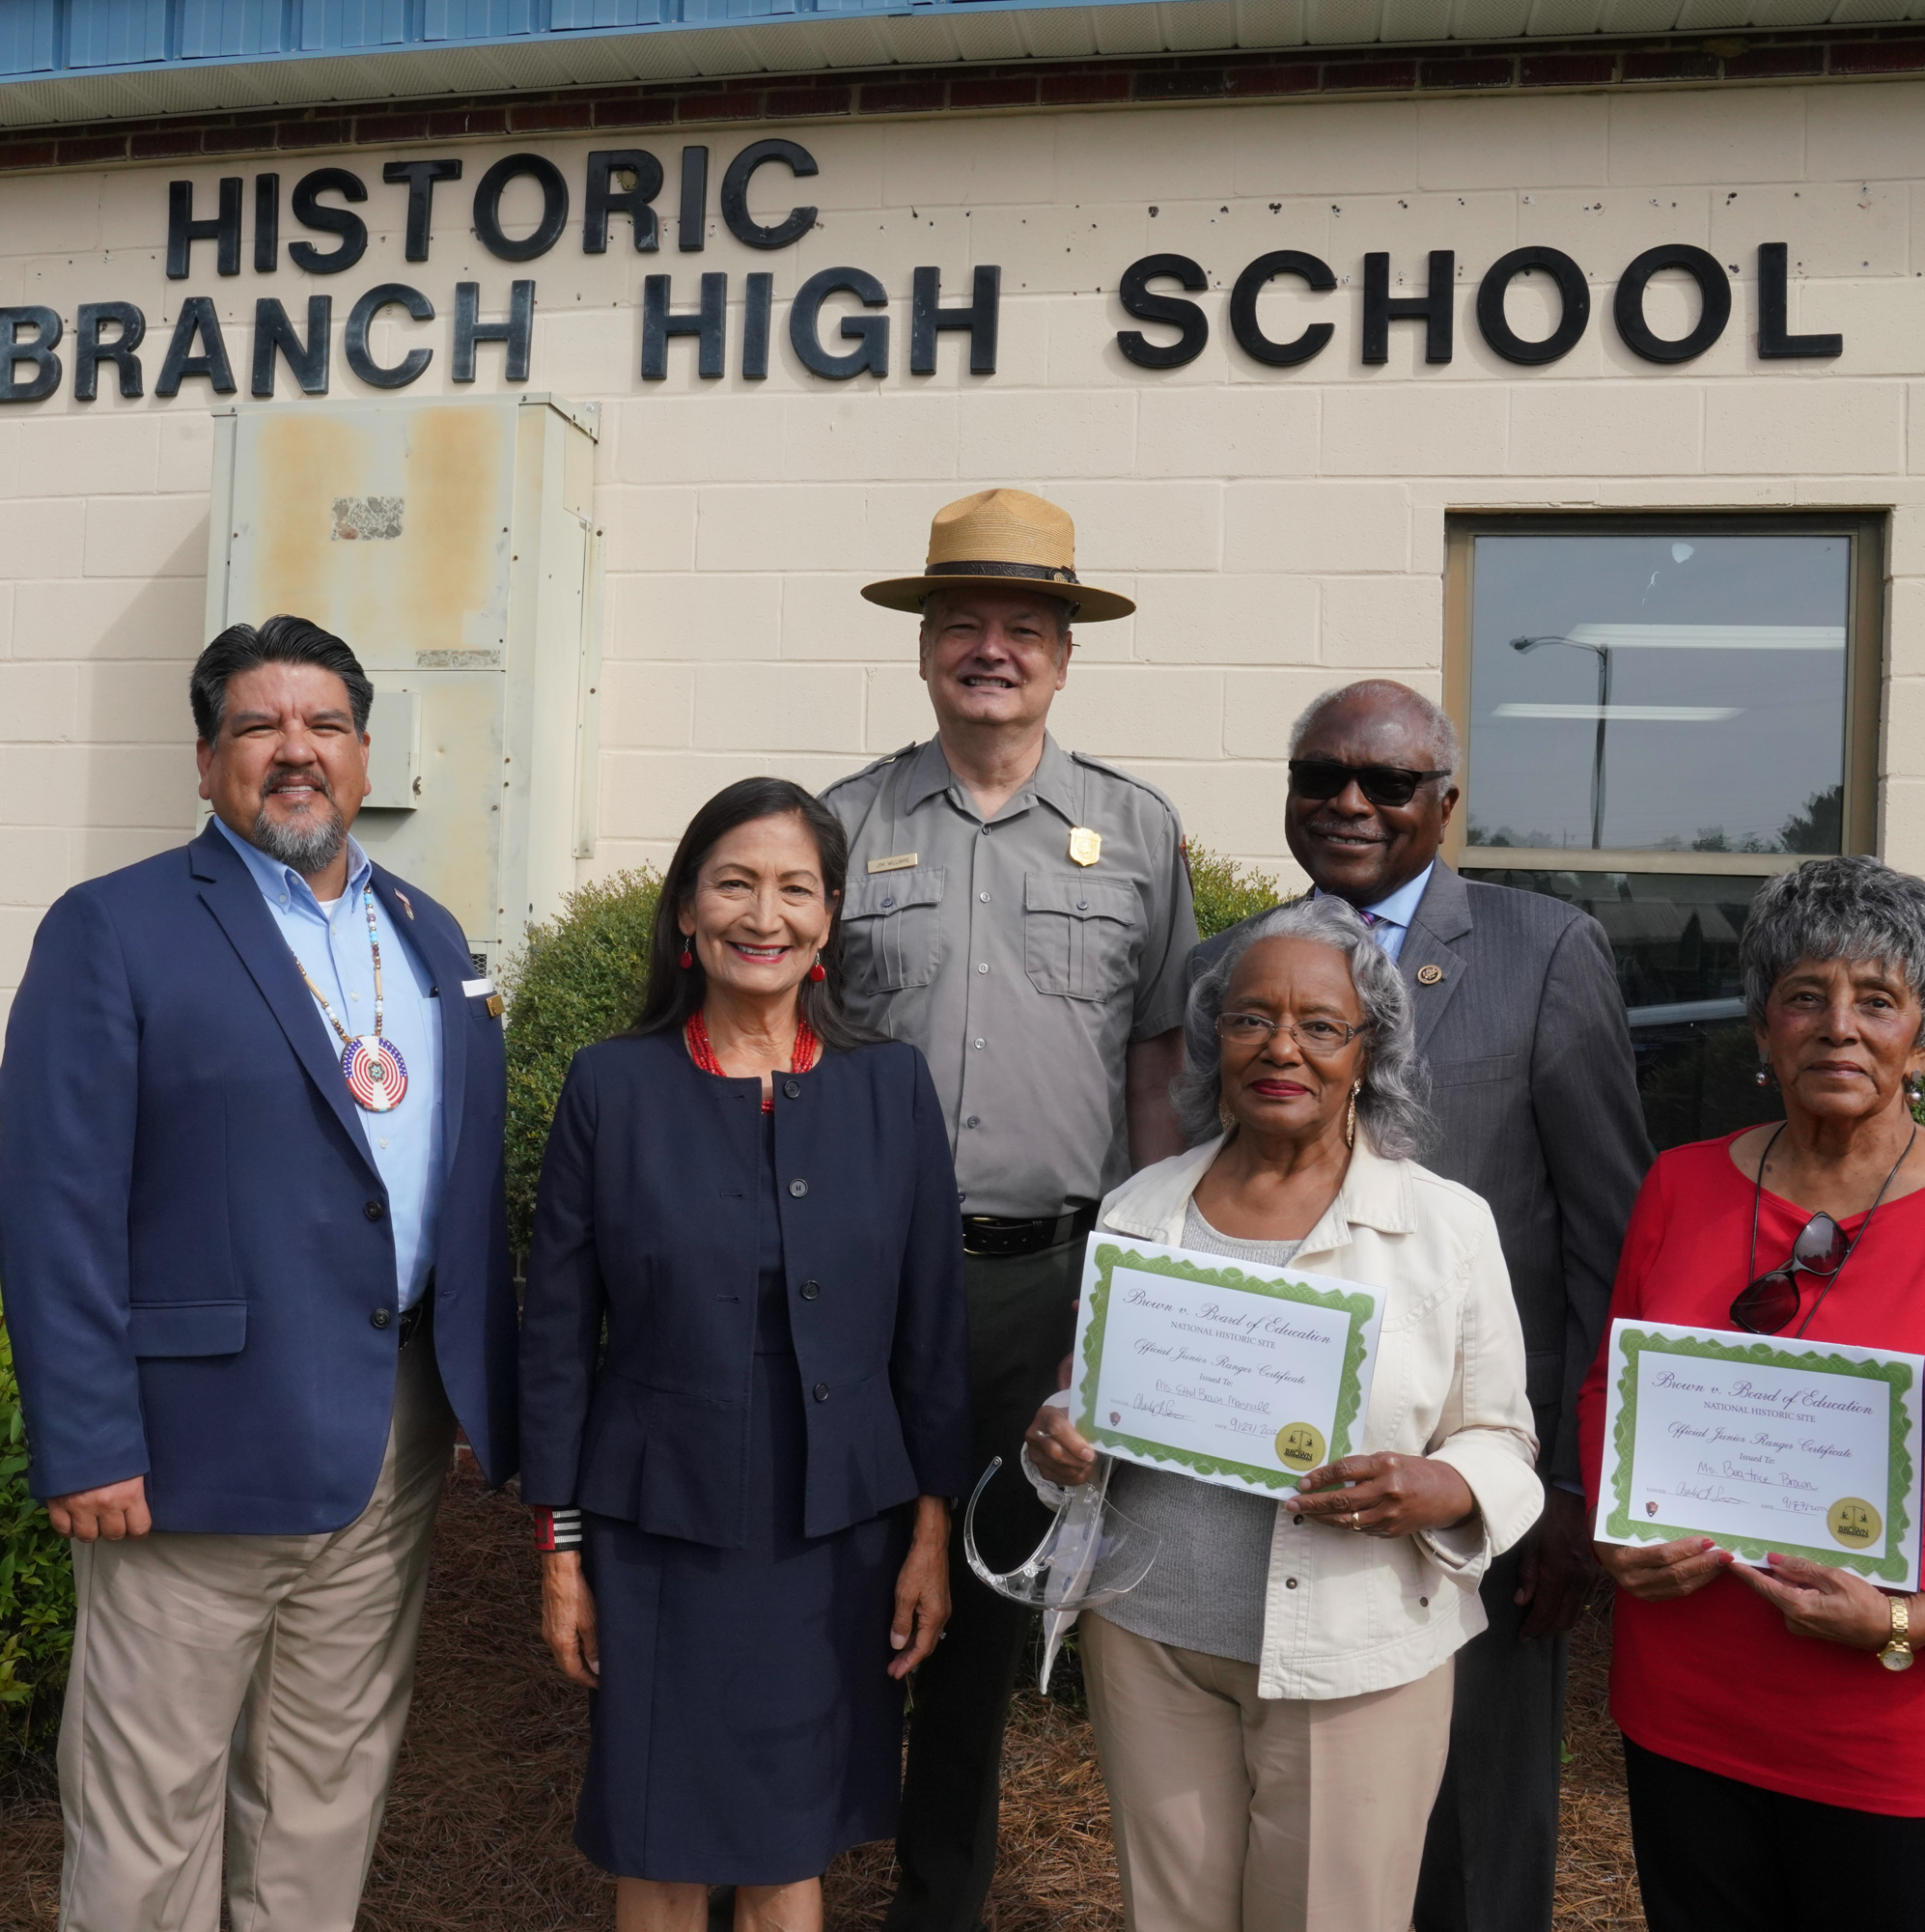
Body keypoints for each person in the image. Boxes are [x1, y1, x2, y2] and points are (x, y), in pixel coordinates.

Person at [0, 616, 520, 1932]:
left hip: (389, 1442)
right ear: (205, 758)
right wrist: (84, 1439)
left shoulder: (430, 930)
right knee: (145, 1813)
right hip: (185, 1453)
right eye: (259, 726)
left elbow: (458, 1174)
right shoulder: (113, 929)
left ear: (363, 752)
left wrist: (471, 1390)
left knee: (325, 1794)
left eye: (325, 725)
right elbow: (53, 1201)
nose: (296, 752)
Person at [1581, 855, 1925, 1932]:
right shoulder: (1678, 1188)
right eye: (1805, 997)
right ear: (1762, 1031)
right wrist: (1615, 1529)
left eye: (1877, 1001)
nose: (1839, 1027)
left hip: (1911, 1735)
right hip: (1691, 1714)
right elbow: (1619, 1386)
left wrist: (1913, 1613)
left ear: (1921, 1040)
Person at [1185, 677, 1646, 1932]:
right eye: (1320, 775)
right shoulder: (1227, 965)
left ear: (1442, 804)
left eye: (1386, 783)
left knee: (1476, 1833)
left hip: (1474, 1485)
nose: (1349, 802)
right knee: (1296, 1839)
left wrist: (1569, 1497)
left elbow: (1610, 1237)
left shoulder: (1546, 952)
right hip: (1261, 1489)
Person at [823, 487, 1200, 1932]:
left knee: (982, 1600)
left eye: (1023, 627)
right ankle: (782, 1863)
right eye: (965, 623)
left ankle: (938, 1901)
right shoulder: (846, 823)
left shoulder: (1136, 831)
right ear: (926, 650)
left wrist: (1130, 1292)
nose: (993, 649)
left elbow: (1158, 1074)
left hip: (1043, 1277)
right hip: (857, 1279)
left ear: (1063, 654)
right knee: (833, 1571)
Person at [1026, 895, 1542, 1932]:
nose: (1283, 1049)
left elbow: (1502, 1438)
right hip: (1149, 1641)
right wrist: (1059, 1433)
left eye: (1320, 1026)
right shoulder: (1144, 1208)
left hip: (1353, 1653)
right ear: (1215, 1038)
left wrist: (1442, 1486)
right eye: (1253, 1018)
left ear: (1370, 1050)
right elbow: (1093, 1398)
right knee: (1172, 1918)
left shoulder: (1444, 1226)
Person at [521, 776, 973, 1932]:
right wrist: (563, 1549)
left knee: (791, 1838)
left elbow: (931, 1332)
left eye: (794, 888)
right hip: (658, 1526)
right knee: (658, 1837)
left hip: (837, 1530)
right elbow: (561, 1341)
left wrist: (930, 1529)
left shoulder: (890, 1089)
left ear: (827, 921)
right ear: (685, 910)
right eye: (733, 883)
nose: (761, 915)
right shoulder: (608, 1088)